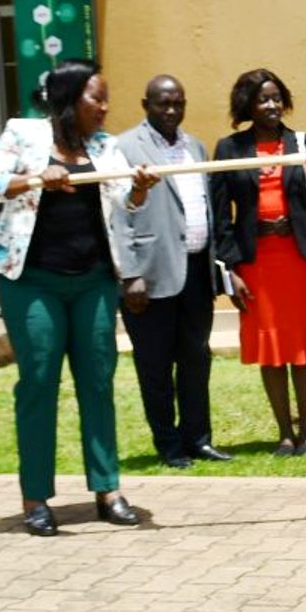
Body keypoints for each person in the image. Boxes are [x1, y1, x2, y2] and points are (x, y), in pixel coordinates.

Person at [0, 59, 158, 536]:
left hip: (94, 280)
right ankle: (36, 497)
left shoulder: (105, 145)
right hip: (32, 281)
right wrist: (38, 178)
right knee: (39, 382)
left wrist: (138, 188)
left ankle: (108, 489)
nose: (104, 107)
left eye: (105, 98)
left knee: (98, 381)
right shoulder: (23, 134)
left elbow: (124, 200)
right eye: (95, 98)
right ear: (69, 99)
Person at [212, 68, 306, 458]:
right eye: (262, 99)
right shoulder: (229, 149)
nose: (271, 105)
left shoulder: (303, 142)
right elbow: (220, 217)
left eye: (276, 97)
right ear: (247, 104)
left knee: (304, 346)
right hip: (257, 262)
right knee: (272, 348)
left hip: (299, 258)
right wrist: (230, 271)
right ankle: (285, 434)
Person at [115, 75, 229, 469]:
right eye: (163, 104)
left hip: (196, 271)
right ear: (145, 103)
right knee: (155, 365)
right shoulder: (125, 147)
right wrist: (130, 274)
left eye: (178, 103)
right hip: (150, 276)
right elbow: (117, 214)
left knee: (196, 359)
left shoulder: (194, 145)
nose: (171, 111)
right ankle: (169, 444)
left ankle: (199, 439)